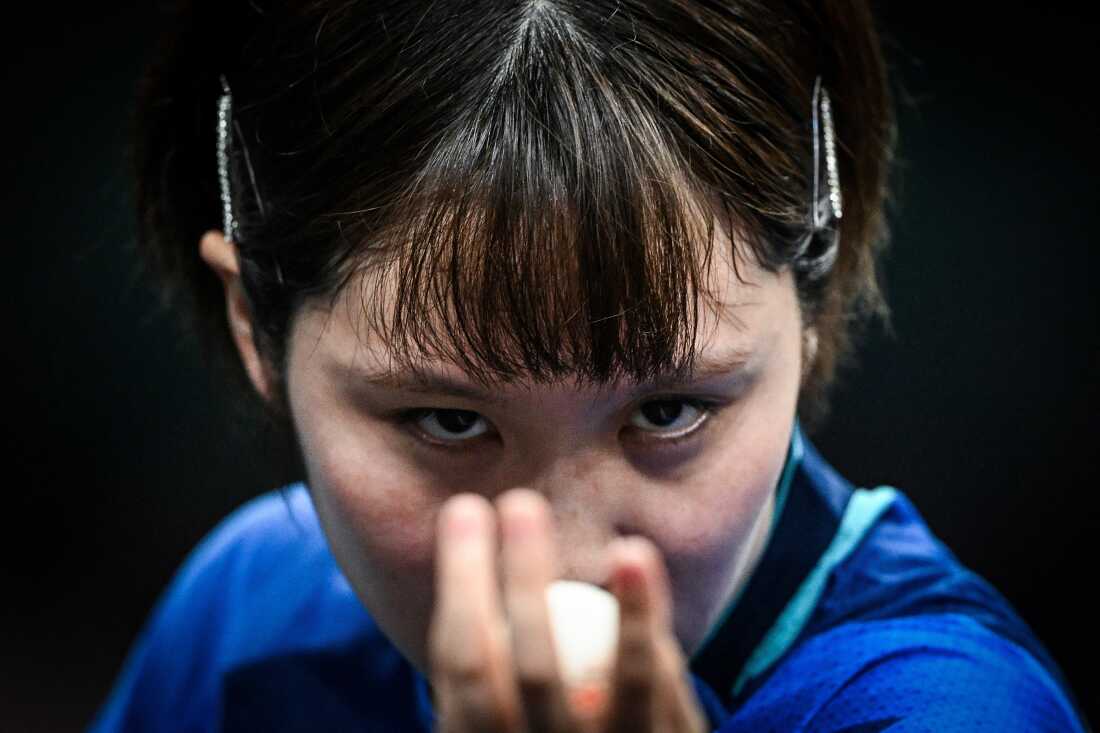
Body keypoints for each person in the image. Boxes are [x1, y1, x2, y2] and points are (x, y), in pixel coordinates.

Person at [90, 0, 1089, 731]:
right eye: (445, 421)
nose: (562, 566)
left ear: (810, 310)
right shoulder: (245, 611)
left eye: (667, 412)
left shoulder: (948, 711)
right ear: (252, 326)